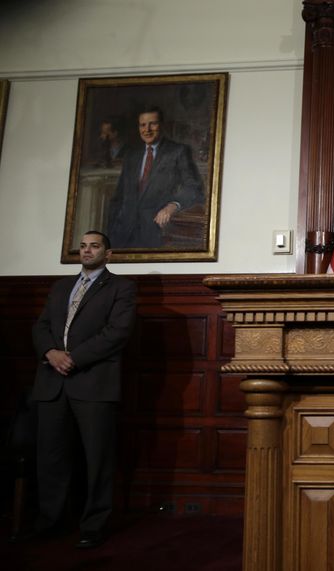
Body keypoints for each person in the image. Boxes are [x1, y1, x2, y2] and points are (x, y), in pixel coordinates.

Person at [29, 231, 137, 549]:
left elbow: (117, 333)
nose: (87, 251)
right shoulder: (61, 286)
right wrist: (51, 352)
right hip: (52, 381)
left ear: (109, 253)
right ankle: (51, 520)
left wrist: (73, 358)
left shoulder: (122, 288)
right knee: (50, 457)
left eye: (95, 246)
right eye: (84, 246)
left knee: (97, 459)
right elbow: (41, 326)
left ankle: (93, 525)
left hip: (93, 382)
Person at [107, 106, 204, 248]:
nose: (147, 129)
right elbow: (118, 197)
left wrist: (172, 206)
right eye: (142, 125)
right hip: (122, 233)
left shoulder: (178, 151)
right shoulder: (131, 155)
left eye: (153, 123)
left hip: (156, 232)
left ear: (162, 125)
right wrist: (110, 234)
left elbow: (194, 187)